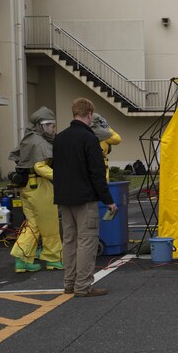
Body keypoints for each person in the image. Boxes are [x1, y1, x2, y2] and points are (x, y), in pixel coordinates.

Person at [53, 98, 117, 297]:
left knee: (69, 241)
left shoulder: (59, 138)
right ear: (89, 113)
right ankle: (83, 286)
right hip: (85, 198)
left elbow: (56, 169)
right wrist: (108, 200)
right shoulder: (89, 138)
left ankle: (69, 283)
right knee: (86, 241)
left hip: (64, 198)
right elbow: (96, 173)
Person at [8, 107, 63, 273]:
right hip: (40, 187)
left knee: (32, 225)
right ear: (41, 126)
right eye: (50, 126)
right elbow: (40, 167)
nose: (53, 129)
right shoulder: (39, 142)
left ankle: (22, 259)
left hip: (27, 187)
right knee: (50, 225)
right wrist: (63, 177)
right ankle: (54, 259)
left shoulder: (28, 139)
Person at [91, 113, 122, 182]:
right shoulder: (104, 134)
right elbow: (117, 139)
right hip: (101, 162)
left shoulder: (85, 131)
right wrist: (108, 128)